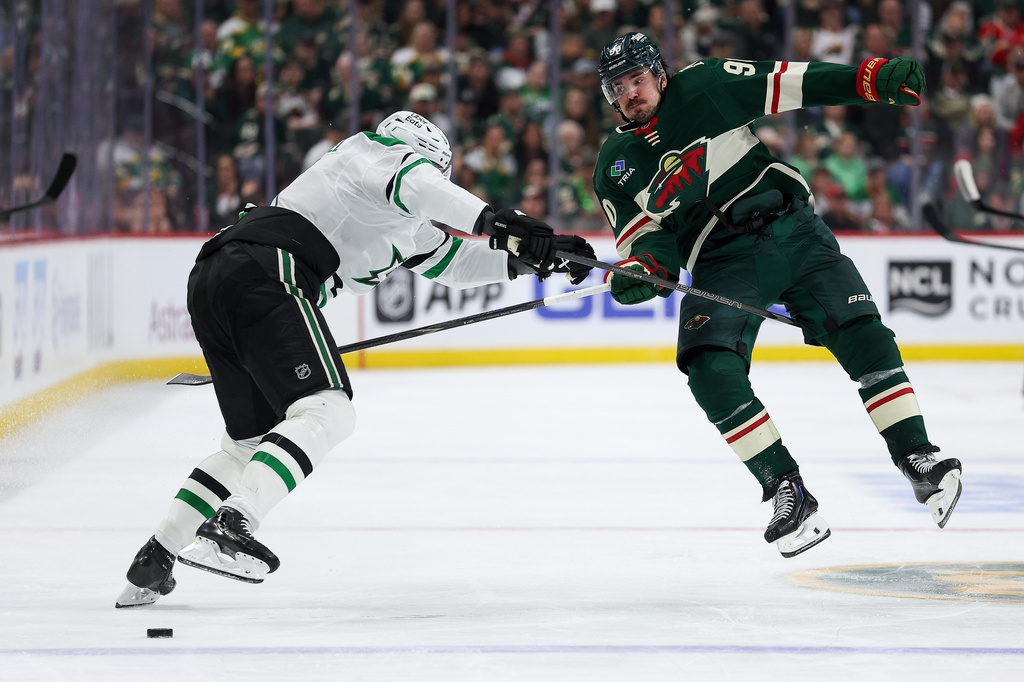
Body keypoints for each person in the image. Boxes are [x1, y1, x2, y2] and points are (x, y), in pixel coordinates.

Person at [116, 111, 595, 607]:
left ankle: (156, 556)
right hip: (266, 271)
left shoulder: (402, 218)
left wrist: (529, 259)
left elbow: (454, 261)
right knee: (327, 409)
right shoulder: (371, 153)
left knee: (248, 445)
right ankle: (234, 522)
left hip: (221, 276)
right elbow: (419, 185)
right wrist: (499, 219)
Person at [591, 32, 963, 558]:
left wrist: (867, 81)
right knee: (709, 369)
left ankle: (918, 459)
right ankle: (787, 489)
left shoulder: (705, 85)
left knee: (864, 336)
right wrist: (646, 267)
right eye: (618, 87)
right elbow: (646, 241)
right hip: (719, 261)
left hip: (791, 229)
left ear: (659, 73)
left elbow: (792, 83)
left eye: (637, 79)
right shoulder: (614, 165)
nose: (630, 93)